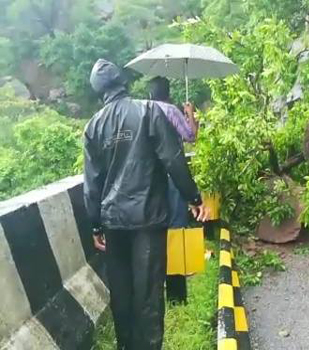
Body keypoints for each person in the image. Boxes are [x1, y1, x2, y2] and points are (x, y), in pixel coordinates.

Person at [83, 59, 209, 350]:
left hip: (113, 221)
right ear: (124, 82)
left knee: (122, 295)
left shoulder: (93, 127)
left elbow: (92, 184)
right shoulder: (149, 111)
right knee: (149, 294)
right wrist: (193, 198)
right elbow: (173, 159)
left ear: (98, 91)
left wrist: (95, 224)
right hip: (147, 218)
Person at [147, 76, 199, 303]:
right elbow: (191, 136)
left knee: (156, 229)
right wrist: (189, 112)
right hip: (172, 175)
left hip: (148, 178)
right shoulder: (170, 110)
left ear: (150, 94)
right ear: (168, 93)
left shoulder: (143, 112)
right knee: (177, 227)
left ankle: (157, 286)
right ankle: (177, 295)